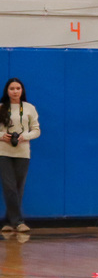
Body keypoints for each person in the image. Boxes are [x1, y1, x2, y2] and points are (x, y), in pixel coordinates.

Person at [0, 79, 41, 233]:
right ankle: (18, 222)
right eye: (12, 88)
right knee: (9, 187)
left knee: (18, 188)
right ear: (7, 91)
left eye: (18, 88)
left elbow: (36, 130)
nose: (15, 91)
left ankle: (8, 221)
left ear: (22, 90)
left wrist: (26, 136)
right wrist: (2, 135)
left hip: (22, 153)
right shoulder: (1, 108)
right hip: (3, 153)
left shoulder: (29, 108)